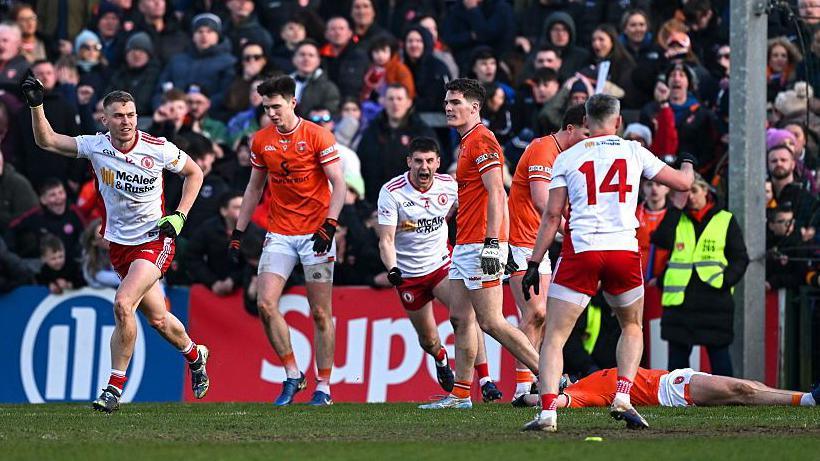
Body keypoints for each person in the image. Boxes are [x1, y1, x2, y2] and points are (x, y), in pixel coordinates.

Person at [21, 75, 208, 413]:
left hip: (155, 241)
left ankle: (112, 389)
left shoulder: (158, 147)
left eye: (132, 114)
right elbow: (47, 141)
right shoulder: (96, 146)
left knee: (123, 304)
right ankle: (196, 355)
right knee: (159, 320)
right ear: (104, 119)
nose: (127, 121)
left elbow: (195, 173)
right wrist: (37, 105)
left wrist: (179, 216)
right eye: (119, 116)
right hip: (119, 248)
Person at [521, 94, 694, 432]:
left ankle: (547, 413)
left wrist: (534, 261)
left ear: (586, 121)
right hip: (622, 251)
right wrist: (686, 161)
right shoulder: (633, 150)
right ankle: (624, 397)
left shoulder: (567, 157)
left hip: (581, 250)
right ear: (617, 121)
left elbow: (553, 215)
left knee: (555, 336)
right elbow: (684, 184)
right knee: (631, 325)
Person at [228, 75, 346, 407]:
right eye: (266, 108)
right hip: (280, 232)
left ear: (293, 102)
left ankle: (323, 386)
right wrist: (238, 232)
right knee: (265, 303)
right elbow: (254, 189)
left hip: (316, 236)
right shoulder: (260, 140)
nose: (272, 113)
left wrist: (330, 225)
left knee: (321, 313)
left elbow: (338, 184)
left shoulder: (318, 136)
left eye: (277, 106)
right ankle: (293, 374)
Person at [425, 78, 541, 409]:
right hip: (465, 243)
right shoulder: (467, 142)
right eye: (447, 102)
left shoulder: (483, 141)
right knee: (461, 319)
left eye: (456, 102)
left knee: (491, 321)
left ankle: (550, 377)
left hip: (481, 243)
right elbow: (477, 192)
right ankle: (461, 394)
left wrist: (492, 242)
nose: (448, 107)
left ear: (474, 107)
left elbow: (496, 191)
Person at [376, 136, 502, 405]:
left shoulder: (449, 185)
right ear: (409, 162)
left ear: (438, 163)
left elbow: (465, 208)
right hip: (408, 276)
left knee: (467, 317)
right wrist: (393, 269)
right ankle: (441, 358)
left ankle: (485, 380)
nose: (424, 167)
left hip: (442, 265)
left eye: (430, 161)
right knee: (428, 339)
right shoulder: (392, 192)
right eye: (419, 161)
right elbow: (385, 240)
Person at [506, 104, 588, 405]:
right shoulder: (543, 149)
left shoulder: (567, 158)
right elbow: (543, 203)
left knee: (539, 317)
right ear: (570, 129)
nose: (588, 140)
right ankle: (525, 384)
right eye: (585, 133)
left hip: (537, 242)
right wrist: (572, 230)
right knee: (535, 312)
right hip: (516, 241)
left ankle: (529, 384)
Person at [653, 173, 749, 377]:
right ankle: (676, 400)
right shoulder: (677, 216)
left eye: (694, 190)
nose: (690, 197)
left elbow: (740, 258)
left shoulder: (725, 219)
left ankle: (726, 400)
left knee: (720, 358)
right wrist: (675, 208)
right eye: (685, 193)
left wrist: (725, 281)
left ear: (706, 190)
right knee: (677, 362)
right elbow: (661, 240)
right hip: (680, 300)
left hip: (714, 299)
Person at [530, 367, 819, 409]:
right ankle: (809, 400)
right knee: (743, 390)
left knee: (752, 386)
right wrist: (531, 399)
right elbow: (557, 403)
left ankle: (802, 396)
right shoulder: (580, 394)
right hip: (674, 392)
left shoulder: (584, 379)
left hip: (675, 378)